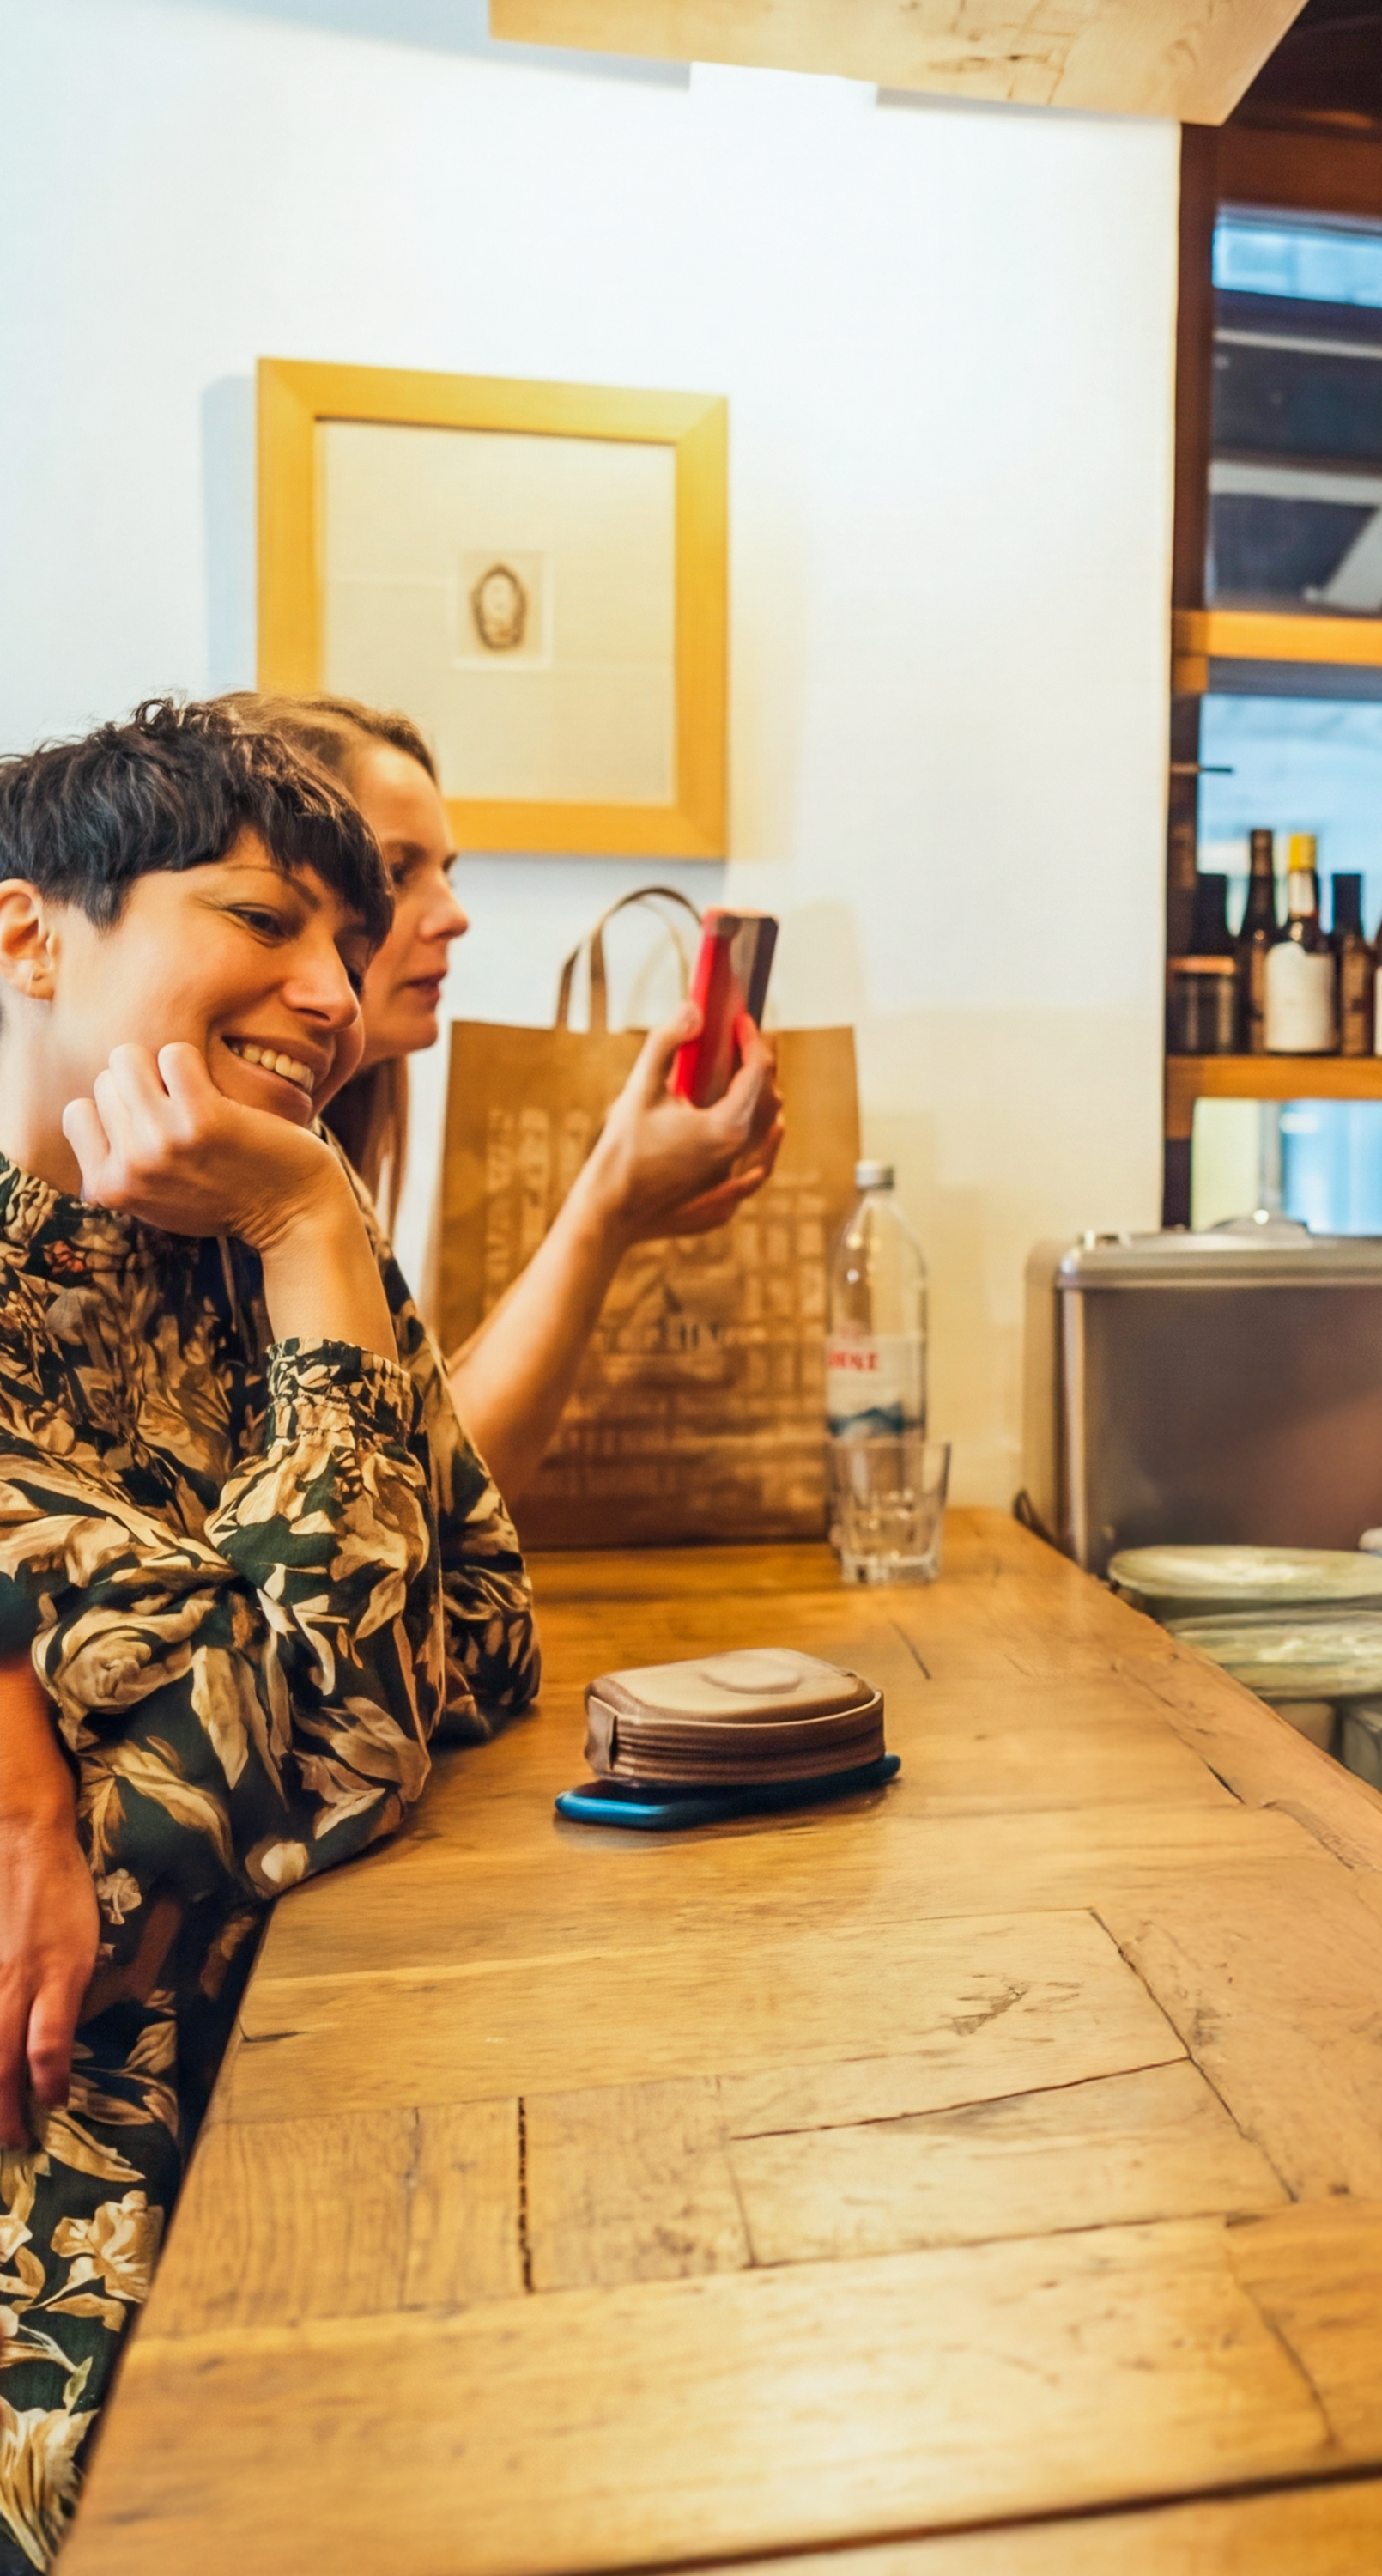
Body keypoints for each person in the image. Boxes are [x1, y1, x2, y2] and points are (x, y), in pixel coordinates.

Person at [0, 701, 537, 2566]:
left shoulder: (272, 1218)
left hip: (341, 2097)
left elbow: (480, 1631)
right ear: (30, 938)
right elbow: (254, 1781)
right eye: (262, 919)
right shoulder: (281, 1224)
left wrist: (313, 1231)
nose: (335, 984)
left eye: (346, 930)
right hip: (92, 2243)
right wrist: (322, 1240)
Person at [218, 693, 779, 1493]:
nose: (453, 916)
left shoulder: (321, 1148)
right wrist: (606, 1206)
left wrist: (611, 1210)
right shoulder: (223, 1167)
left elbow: (429, 1457)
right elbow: (431, 1508)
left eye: (445, 874)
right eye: (394, 873)